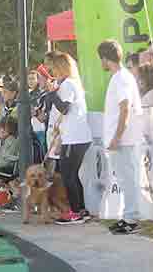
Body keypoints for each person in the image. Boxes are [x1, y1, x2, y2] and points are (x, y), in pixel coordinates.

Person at [98, 40, 143, 235]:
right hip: (120, 138)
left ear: (105, 58)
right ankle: (127, 216)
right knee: (125, 179)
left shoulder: (121, 78)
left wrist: (117, 136)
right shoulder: (120, 77)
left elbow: (125, 108)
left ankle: (132, 219)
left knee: (128, 179)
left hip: (123, 139)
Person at [44, 51, 92, 225]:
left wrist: (52, 94)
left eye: (53, 68)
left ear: (61, 67)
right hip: (75, 137)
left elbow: (64, 108)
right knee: (71, 175)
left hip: (74, 138)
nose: (51, 72)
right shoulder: (71, 83)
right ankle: (80, 210)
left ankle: (75, 212)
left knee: (68, 175)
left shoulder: (68, 84)